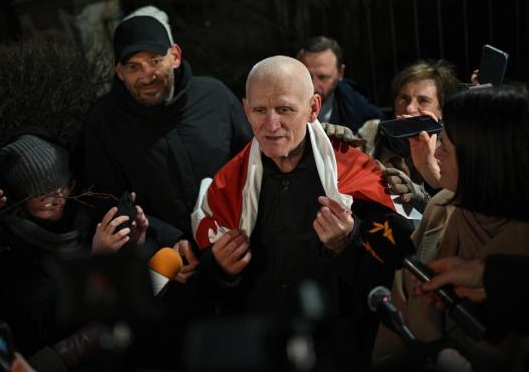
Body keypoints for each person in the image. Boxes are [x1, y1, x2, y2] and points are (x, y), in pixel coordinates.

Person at [191, 55, 404, 370]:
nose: (271, 124)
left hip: (339, 352)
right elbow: (201, 290)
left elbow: (395, 274)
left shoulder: (356, 173)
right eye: (259, 110)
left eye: (285, 109)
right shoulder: (227, 184)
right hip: (259, 350)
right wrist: (220, 270)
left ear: (313, 108)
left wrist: (348, 243)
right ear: (245, 109)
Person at [373, 85, 529, 372]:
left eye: (444, 145)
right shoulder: (440, 207)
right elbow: (395, 326)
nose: (436, 153)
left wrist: (439, 349)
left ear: (481, 158)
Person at [76, 13, 252, 257]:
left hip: (237, 242)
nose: (147, 75)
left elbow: (253, 162)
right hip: (163, 261)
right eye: (133, 67)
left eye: (155, 61)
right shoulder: (102, 123)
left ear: (175, 56)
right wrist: (166, 240)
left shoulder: (216, 97)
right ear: (119, 72)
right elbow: (104, 202)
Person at [0, 133, 148, 357]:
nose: (59, 199)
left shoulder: (81, 213)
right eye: (44, 194)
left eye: (63, 186)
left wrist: (132, 244)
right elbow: (44, 324)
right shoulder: (7, 247)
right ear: (20, 198)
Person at [358, 59, 460, 213]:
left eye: (423, 100)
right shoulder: (372, 131)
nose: (410, 108)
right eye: (403, 98)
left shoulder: (450, 148)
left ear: (441, 110)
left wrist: (430, 174)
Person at [296, 36, 385, 133]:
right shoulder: (284, 107)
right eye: (307, 76)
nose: (314, 86)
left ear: (340, 73)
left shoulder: (365, 117)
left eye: (322, 77)